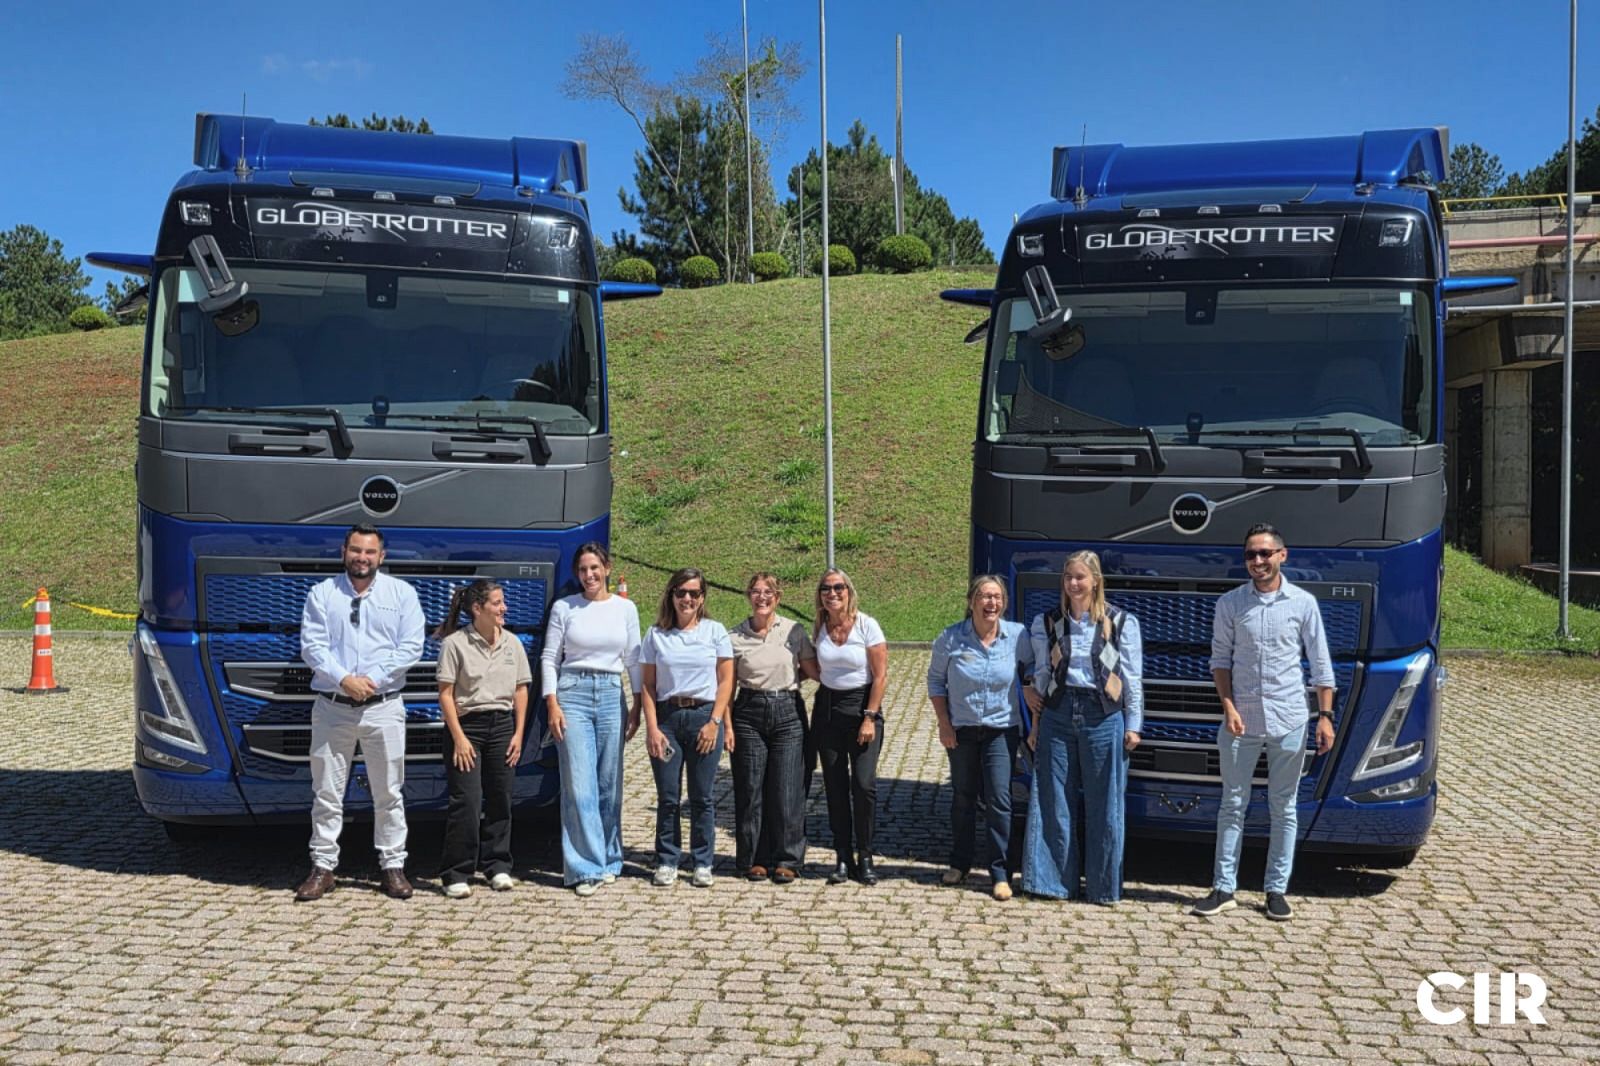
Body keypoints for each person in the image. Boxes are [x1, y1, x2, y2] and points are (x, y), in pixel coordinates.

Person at [1192, 523, 1335, 922]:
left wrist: (1325, 717)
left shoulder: (1303, 603)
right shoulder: (1231, 604)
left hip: (1290, 718)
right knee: (1232, 804)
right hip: (1241, 721)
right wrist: (1228, 707)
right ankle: (1223, 888)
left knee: (1283, 808)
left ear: (1282, 555)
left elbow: (1320, 663)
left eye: (1265, 553)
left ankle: (1276, 889)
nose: (1258, 561)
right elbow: (1220, 660)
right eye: (1251, 555)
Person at [294, 523, 426, 902]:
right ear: (344, 552)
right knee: (326, 792)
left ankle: (392, 866)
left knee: (388, 791)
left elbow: (411, 647)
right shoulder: (322, 594)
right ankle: (323, 868)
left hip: (383, 708)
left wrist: (371, 680)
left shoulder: (401, 594)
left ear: (381, 556)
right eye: (356, 550)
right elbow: (312, 647)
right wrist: (343, 680)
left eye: (369, 552)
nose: (362, 558)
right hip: (333, 708)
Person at [1022, 550, 1144, 904]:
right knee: (1052, 798)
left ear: (1095, 581)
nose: (1073, 584)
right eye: (1068, 577)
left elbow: (1132, 678)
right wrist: (1036, 720)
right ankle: (1052, 882)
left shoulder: (1119, 623)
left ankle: (1103, 888)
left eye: (1080, 577)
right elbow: (1043, 673)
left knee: (1105, 803)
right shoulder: (1048, 623)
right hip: (1059, 712)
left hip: (1104, 714)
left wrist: (1133, 724)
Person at [541, 542, 643, 897]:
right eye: (583, 570)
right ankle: (585, 868)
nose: (589, 575)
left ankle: (611, 858)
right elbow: (550, 658)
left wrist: (638, 704)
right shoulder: (565, 608)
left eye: (594, 568)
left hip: (612, 693)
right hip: (573, 693)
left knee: (608, 783)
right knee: (580, 785)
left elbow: (633, 659)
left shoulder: (625, 608)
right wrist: (552, 704)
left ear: (607, 568)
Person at [927, 575, 1034, 900]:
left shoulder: (1017, 636)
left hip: (1002, 730)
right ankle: (959, 863)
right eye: (985, 597)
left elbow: (1032, 669)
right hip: (962, 729)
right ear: (972, 601)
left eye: (997, 597)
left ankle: (1000, 872)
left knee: (1000, 799)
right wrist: (944, 723)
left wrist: (1030, 691)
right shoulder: (951, 637)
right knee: (963, 797)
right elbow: (935, 681)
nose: (992, 603)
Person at [435, 579, 530, 899]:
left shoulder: (513, 644)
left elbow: (521, 690)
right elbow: (446, 695)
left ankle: (498, 866)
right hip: (467, 728)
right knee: (467, 801)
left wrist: (518, 733)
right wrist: (459, 738)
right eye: (498, 603)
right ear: (478, 609)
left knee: (501, 798)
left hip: (502, 727)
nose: (504, 608)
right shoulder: (455, 644)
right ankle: (456, 872)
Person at [640, 567, 733, 888]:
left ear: (702, 598)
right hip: (667, 719)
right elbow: (648, 686)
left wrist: (715, 722)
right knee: (668, 796)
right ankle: (666, 859)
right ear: (672, 595)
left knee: (701, 797)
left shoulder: (715, 631)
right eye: (681, 592)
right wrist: (652, 728)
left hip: (704, 718)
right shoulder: (655, 635)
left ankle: (702, 861)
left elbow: (725, 681)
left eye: (694, 593)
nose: (687, 599)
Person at [728, 572, 818, 885]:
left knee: (787, 788)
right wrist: (725, 723)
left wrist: (784, 685)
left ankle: (787, 859)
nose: (762, 597)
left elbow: (811, 671)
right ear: (748, 596)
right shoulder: (735, 636)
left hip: (787, 712)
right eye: (755, 591)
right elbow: (726, 685)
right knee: (751, 787)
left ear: (777, 597)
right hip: (748, 712)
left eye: (768, 592)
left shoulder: (793, 630)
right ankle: (754, 859)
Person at [811, 568, 889, 886]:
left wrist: (869, 717)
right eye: (827, 588)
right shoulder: (820, 625)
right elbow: (816, 667)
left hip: (862, 710)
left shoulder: (867, 625)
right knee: (835, 786)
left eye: (838, 587)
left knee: (863, 784)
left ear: (849, 591)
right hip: (828, 710)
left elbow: (880, 675)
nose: (833, 593)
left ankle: (865, 855)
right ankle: (842, 856)